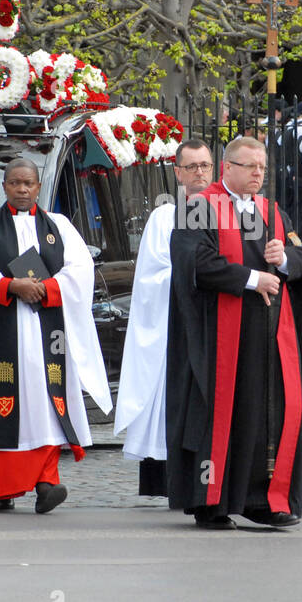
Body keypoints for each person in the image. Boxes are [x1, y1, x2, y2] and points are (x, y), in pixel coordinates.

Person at [0, 158, 112, 513]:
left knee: (44, 409)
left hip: (47, 337)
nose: (23, 189)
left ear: (39, 187)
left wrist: (47, 288)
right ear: (5, 187)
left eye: (29, 183)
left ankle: (46, 483)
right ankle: (4, 488)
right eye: (15, 183)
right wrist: (11, 285)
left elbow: (81, 271)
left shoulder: (58, 226)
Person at [165, 136, 302, 528]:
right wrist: (253, 278)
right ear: (226, 168)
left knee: (267, 417)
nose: (258, 174)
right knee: (222, 418)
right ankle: (212, 502)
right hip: (219, 338)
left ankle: (264, 499)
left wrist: (283, 258)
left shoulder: (272, 212)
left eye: (262, 168)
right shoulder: (199, 208)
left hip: (268, 338)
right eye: (250, 167)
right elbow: (196, 264)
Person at [113, 138, 214, 496]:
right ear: (178, 173)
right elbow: (153, 275)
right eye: (192, 167)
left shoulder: (229, 210)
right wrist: (200, 273)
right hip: (176, 322)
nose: (200, 173)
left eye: (205, 165)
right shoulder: (165, 215)